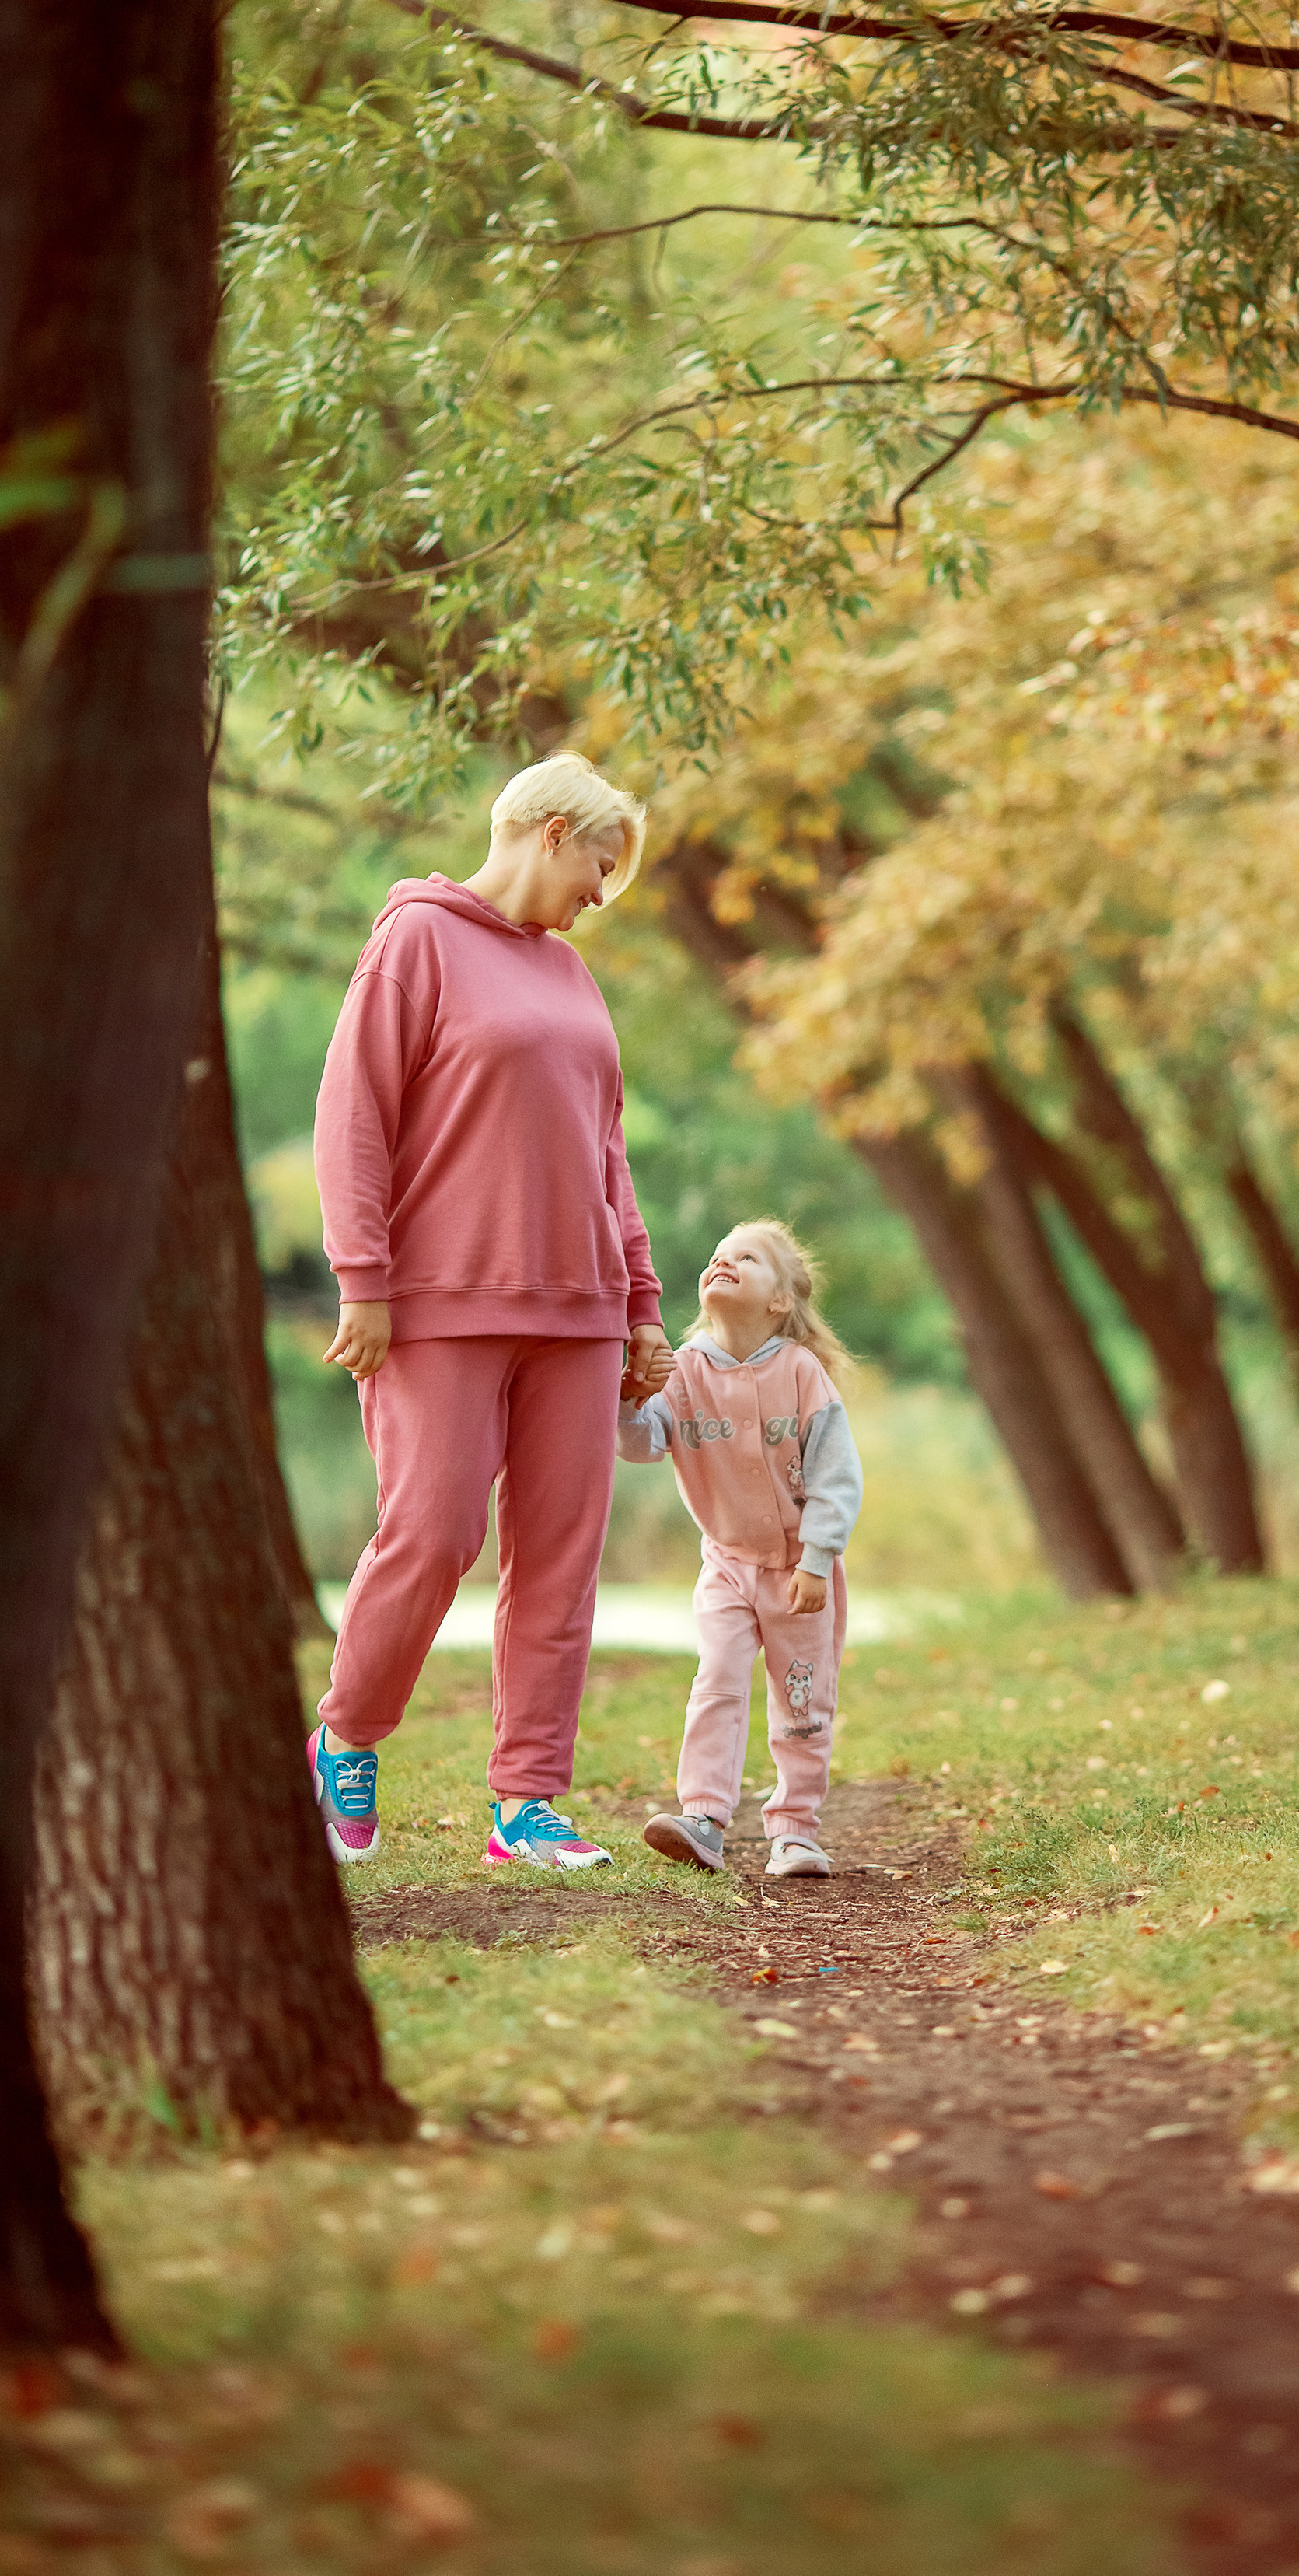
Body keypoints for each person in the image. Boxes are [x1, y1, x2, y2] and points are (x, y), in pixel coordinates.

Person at [308, 753, 677, 1872]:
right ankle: (345, 1739)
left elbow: (603, 1152)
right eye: (600, 868)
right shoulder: (415, 940)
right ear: (554, 831)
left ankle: (526, 1802)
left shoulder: (571, 976)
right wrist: (361, 1277)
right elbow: (353, 1116)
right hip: (437, 1305)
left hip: (581, 1312)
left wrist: (644, 1304)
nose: (601, 897)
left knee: (561, 1557)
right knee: (433, 1536)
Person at [620, 1219, 863, 1877]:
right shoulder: (685, 1369)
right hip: (726, 1565)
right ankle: (703, 1817)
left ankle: (796, 1828)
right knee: (717, 1682)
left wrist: (818, 1560)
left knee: (802, 1701)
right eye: (717, 1255)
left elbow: (838, 1477)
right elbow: (642, 1445)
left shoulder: (802, 1372)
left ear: (779, 1299)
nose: (722, 1263)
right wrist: (630, 1401)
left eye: (745, 1258)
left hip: (798, 1574)